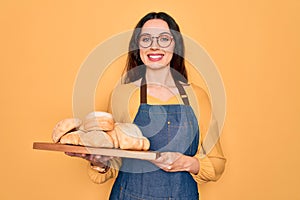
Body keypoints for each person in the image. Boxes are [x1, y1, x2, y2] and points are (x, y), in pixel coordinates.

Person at [66, 12, 226, 200]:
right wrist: (99, 163)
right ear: (138, 47)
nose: (154, 46)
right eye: (146, 39)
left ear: (176, 46)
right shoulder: (121, 95)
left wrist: (185, 163)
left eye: (164, 39)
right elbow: (113, 162)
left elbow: (217, 164)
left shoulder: (197, 97)